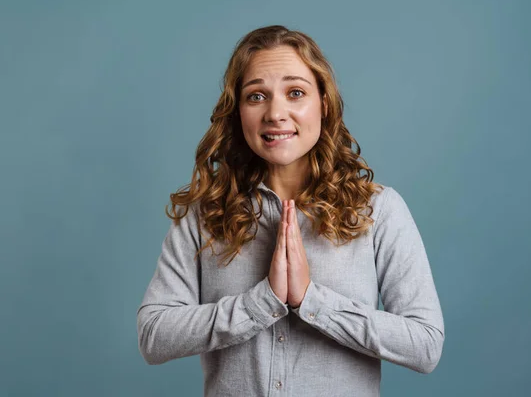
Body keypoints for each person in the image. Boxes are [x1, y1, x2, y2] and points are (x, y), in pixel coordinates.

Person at [137, 25, 444, 396]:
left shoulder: (378, 210)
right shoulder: (204, 214)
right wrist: (261, 303)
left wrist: (312, 301)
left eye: (295, 93)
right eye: (256, 97)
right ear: (238, 113)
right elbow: (153, 335)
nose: (275, 113)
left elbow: (425, 345)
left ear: (324, 104)